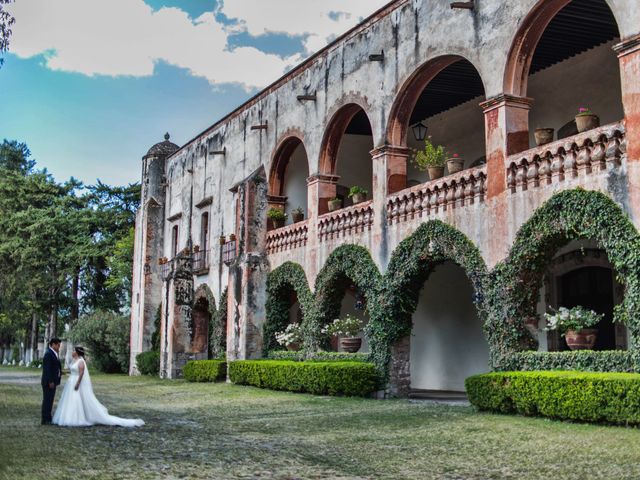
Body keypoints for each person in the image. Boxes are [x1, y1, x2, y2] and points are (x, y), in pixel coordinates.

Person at [52, 346, 144, 427]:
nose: (72, 352)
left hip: (76, 382)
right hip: (70, 382)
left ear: (77, 352)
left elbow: (81, 374)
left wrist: (77, 384)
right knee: (69, 399)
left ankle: (76, 418)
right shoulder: (74, 360)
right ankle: (67, 416)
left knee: (76, 399)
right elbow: (72, 371)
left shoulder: (81, 361)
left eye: (74, 351)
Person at [41, 338, 62, 425]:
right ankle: (45, 419)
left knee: (50, 400)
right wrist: (50, 381)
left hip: (53, 381)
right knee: (47, 400)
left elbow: (55, 367)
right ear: (53, 344)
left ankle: (48, 418)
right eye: (58, 345)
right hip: (49, 382)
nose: (59, 347)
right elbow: (47, 369)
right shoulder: (48, 354)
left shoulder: (54, 353)